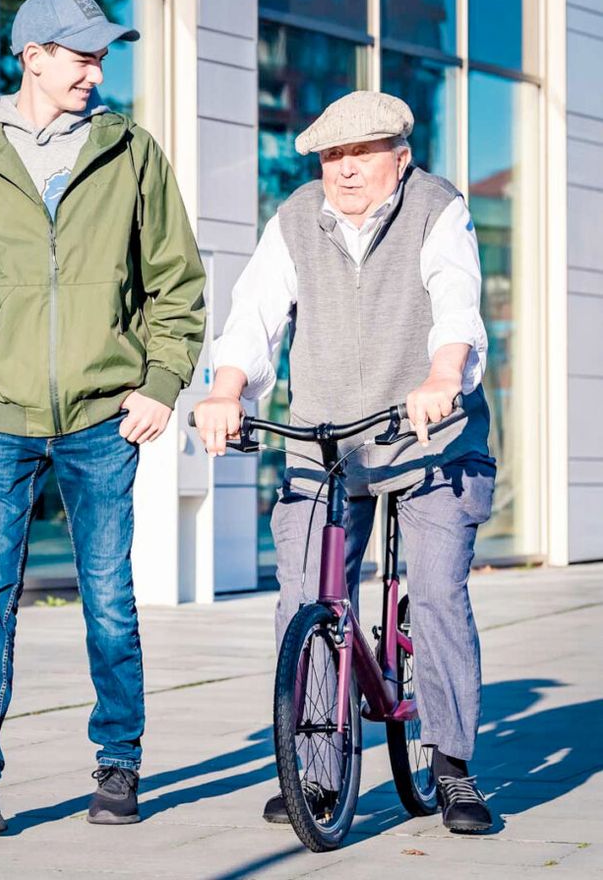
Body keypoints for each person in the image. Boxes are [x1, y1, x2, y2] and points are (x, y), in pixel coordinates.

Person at [0, 0, 206, 835]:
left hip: (102, 412)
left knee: (107, 592)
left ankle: (118, 763)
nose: (94, 69)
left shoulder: (129, 152)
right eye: (79, 54)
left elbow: (176, 282)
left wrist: (160, 381)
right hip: (1, 411)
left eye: (100, 55)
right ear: (31, 56)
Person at [194, 91, 496, 834]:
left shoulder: (436, 207)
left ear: (399, 157)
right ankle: (317, 772)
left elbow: (456, 300)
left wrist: (441, 376)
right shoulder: (296, 217)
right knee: (305, 598)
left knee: (432, 593)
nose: (345, 170)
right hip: (327, 434)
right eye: (332, 156)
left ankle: (452, 766)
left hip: (429, 434)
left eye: (361, 154)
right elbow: (254, 314)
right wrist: (225, 389)